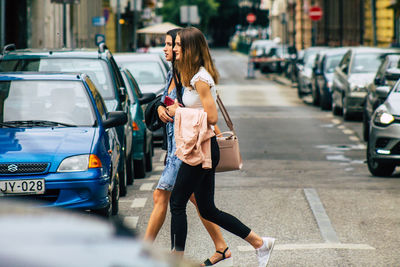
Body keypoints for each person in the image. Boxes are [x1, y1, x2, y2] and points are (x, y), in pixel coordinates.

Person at [166, 27, 276, 267]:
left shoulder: (200, 80)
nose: (173, 49)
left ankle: (176, 260)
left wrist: (179, 112)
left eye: (177, 45)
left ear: (189, 49)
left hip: (202, 149)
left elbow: (212, 116)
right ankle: (260, 243)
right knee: (207, 209)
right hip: (198, 146)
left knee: (177, 202)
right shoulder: (189, 77)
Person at [143, 28, 232, 266]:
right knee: (196, 201)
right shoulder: (175, 72)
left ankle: (143, 252)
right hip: (178, 144)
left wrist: (177, 112)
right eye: (170, 44)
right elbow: (169, 102)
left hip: (185, 147)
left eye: (172, 44)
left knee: (164, 195)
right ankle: (222, 246)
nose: (168, 48)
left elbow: (198, 111)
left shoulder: (192, 76)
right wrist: (161, 108)